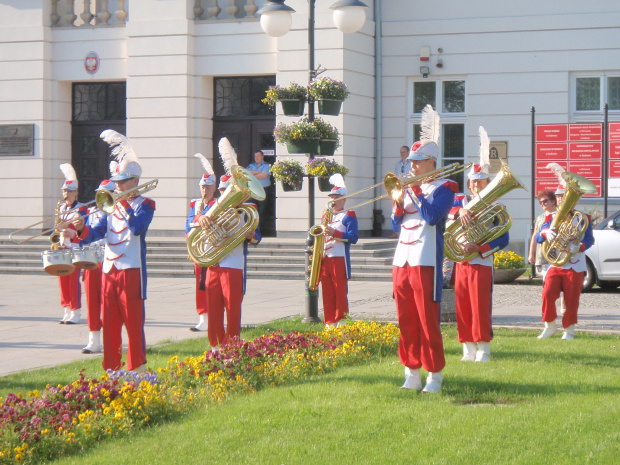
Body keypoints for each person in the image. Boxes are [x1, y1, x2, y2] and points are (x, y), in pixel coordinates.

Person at [67, 130, 155, 372]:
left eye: (123, 182)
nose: (117, 186)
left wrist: (125, 203)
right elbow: (95, 233)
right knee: (111, 322)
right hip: (109, 268)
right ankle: (112, 369)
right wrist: (80, 229)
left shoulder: (145, 204)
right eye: (116, 182)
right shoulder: (109, 206)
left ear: (135, 182)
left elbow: (138, 228)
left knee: (133, 321)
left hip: (131, 268)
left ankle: (137, 368)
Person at [391, 104, 457, 394]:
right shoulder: (407, 188)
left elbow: (432, 218)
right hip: (402, 259)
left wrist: (415, 191)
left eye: (417, 162)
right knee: (405, 318)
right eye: (411, 162)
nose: (412, 166)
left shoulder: (446, 187)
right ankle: (411, 371)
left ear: (431, 162)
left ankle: (435, 375)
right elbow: (397, 226)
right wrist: (396, 206)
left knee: (428, 320)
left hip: (426, 259)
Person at [448, 130, 509, 362]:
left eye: (481, 181)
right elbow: (444, 212)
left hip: (481, 261)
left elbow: (502, 239)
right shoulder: (458, 202)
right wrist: (459, 211)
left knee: (480, 306)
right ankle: (468, 349)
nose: (476, 185)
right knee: (462, 307)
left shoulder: (495, 207)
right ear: (468, 183)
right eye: (473, 182)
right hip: (460, 261)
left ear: (487, 183)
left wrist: (480, 248)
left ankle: (484, 348)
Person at [199, 174, 261, 348]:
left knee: (233, 309)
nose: (225, 194)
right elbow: (194, 220)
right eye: (222, 190)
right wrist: (200, 219)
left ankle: (232, 346)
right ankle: (215, 346)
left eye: (228, 190)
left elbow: (258, 236)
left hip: (233, 264)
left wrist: (251, 236)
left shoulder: (246, 211)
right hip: (213, 263)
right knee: (213, 309)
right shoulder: (211, 206)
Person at [536, 183, 593, 340]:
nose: (562, 199)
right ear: (557, 199)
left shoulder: (583, 218)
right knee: (547, 293)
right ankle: (550, 325)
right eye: (560, 196)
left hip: (575, 262)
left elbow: (590, 239)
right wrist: (544, 233)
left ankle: (569, 330)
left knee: (571, 298)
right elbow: (538, 238)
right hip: (556, 263)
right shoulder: (550, 218)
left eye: (564, 196)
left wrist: (581, 246)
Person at [81, 179, 116, 354]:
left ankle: (110, 338)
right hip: (92, 260)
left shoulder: (117, 212)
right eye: (99, 194)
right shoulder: (90, 212)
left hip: (110, 261)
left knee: (109, 303)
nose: (101, 198)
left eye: (105, 194)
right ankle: (94, 339)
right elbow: (87, 235)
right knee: (92, 301)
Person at [320, 174, 358, 328]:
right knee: (327, 291)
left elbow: (353, 237)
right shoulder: (326, 216)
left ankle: (341, 322)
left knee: (340, 291)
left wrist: (334, 233)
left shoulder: (349, 214)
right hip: (325, 257)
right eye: (331, 198)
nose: (333, 201)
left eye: (336, 197)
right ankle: (329, 322)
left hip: (339, 257)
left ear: (343, 199)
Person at [185, 154, 218, 332]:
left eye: (207, 186)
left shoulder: (218, 203)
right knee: (200, 285)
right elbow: (188, 224)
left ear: (214, 187)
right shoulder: (195, 204)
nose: (204, 190)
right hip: (199, 249)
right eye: (202, 187)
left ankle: (213, 316)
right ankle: (202, 317)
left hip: (212, 249)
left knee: (211, 285)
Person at [57, 163, 86, 325]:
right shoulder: (61, 207)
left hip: (75, 247)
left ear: (75, 193)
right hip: (62, 245)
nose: (65, 194)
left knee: (73, 281)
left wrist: (71, 231)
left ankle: (76, 311)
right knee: (62, 279)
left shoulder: (81, 208)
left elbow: (84, 228)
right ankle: (66, 309)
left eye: (68, 191)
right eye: (64, 191)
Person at [247, 150, 271, 226]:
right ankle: (252, 228)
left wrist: (252, 175)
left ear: (262, 157)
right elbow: (245, 172)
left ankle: (260, 230)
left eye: (258, 156)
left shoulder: (266, 166)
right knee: (252, 210)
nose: (256, 158)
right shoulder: (251, 165)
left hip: (263, 190)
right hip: (253, 191)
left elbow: (263, 175)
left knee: (261, 211)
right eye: (255, 156)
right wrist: (257, 172)